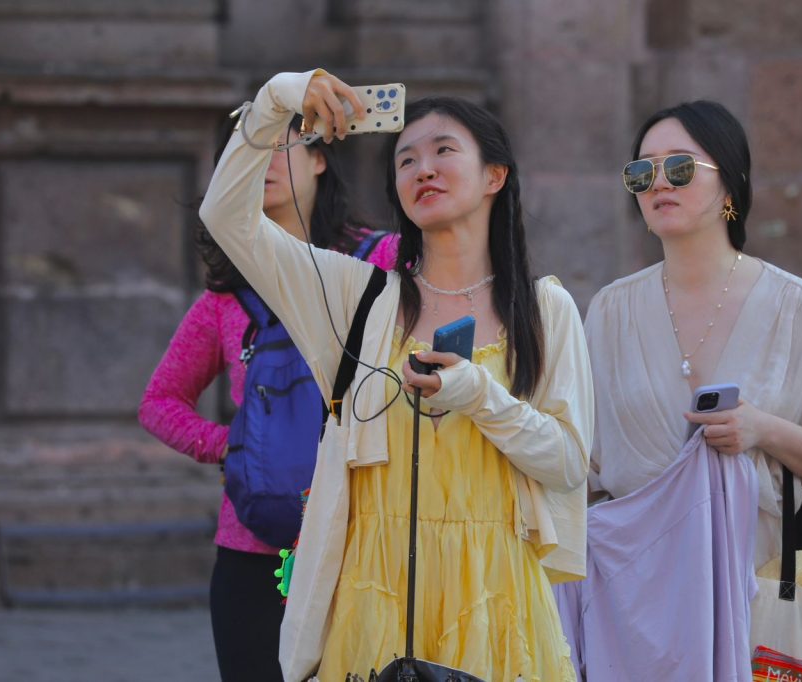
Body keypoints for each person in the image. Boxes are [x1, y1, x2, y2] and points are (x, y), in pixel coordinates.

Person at [199, 69, 593, 682]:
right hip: (374, 594)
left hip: (496, 596)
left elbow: (568, 462)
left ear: (495, 175)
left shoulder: (544, 308)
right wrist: (278, 97)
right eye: (406, 160)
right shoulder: (356, 296)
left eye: (443, 151)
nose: (423, 169)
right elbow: (226, 217)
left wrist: (478, 395)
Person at [565, 100, 802, 676]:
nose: (658, 184)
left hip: (750, 589)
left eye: (680, 167)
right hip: (629, 603)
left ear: (729, 181)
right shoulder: (609, 309)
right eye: (642, 172)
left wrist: (762, 429)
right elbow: (586, 466)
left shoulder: (794, 304)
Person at [139, 115, 398, 682]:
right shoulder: (226, 298)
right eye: (247, 149)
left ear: (320, 158)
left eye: (280, 143)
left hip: (370, 537)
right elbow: (159, 401)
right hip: (255, 548)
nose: (264, 159)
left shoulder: (382, 258)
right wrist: (233, 445)